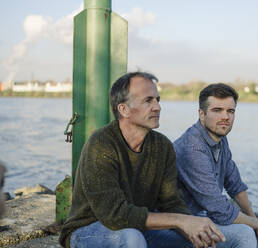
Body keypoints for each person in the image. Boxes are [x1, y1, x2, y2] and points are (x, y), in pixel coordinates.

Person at [59, 72, 225, 248]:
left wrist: (191, 229)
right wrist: (179, 220)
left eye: (157, 100)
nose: (157, 107)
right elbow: (115, 215)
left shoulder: (163, 146)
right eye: (148, 101)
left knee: (214, 239)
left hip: (139, 228)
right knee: (131, 239)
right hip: (88, 230)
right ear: (124, 109)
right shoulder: (101, 144)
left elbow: (172, 202)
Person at [174, 83, 258, 248]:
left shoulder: (219, 139)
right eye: (217, 110)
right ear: (201, 114)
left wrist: (255, 220)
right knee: (245, 235)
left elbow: (235, 184)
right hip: (180, 225)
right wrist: (255, 224)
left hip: (203, 217)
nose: (225, 117)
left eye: (230, 111)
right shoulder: (193, 147)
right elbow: (218, 208)